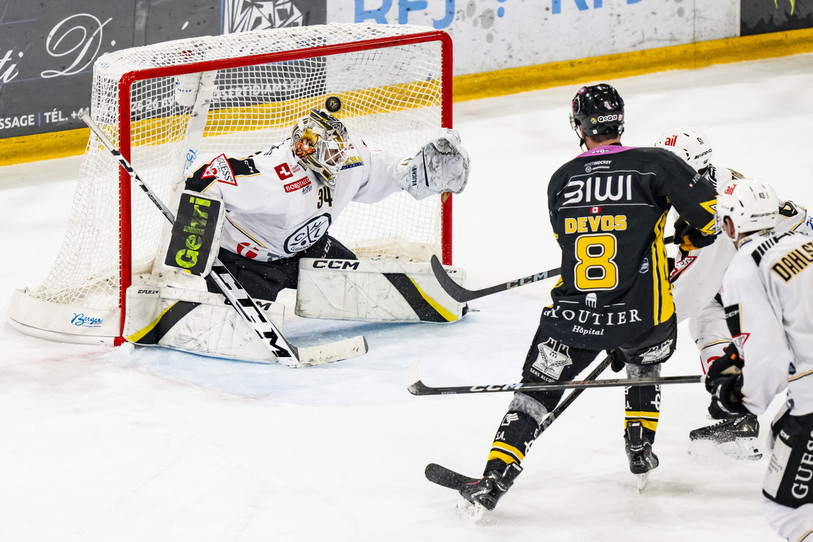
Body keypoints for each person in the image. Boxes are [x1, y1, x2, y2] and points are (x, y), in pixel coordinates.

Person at [454, 83, 718, 513]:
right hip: (645, 318)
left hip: (575, 318)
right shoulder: (656, 165)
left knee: (536, 392)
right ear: (621, 121)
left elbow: (570, 242)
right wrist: (688, 236)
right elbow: (713, 218)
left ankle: (496, 478)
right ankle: (639, 450)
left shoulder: (561, 179)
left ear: (579, 126)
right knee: (644, 360)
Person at [183, 107, 470, 302]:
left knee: (367, 291)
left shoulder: (349, 157)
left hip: (310, 248)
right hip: (246, 263)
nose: (338, 158)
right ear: (307, 151)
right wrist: (191, 247)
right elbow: (205, 176)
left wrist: (419, 172)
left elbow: (389, 170)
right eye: (330, 153)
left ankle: (425, 303)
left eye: (339, 150)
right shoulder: (276, 177)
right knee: (244, 333)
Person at [656, 127, 812, 459]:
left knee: (711, 315)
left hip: (785, 279)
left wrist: (639, 327)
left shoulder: (713, 214)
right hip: (795, 265)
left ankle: (742, 414)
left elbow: (691, 290)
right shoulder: (724, 185)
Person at [705, 178, 813, 542]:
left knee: (789, 510)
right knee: (778, 437)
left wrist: (742, 398)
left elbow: (769, 358)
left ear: (732, 223)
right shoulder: (805, 243)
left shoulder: (745, 266)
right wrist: (740, 357)